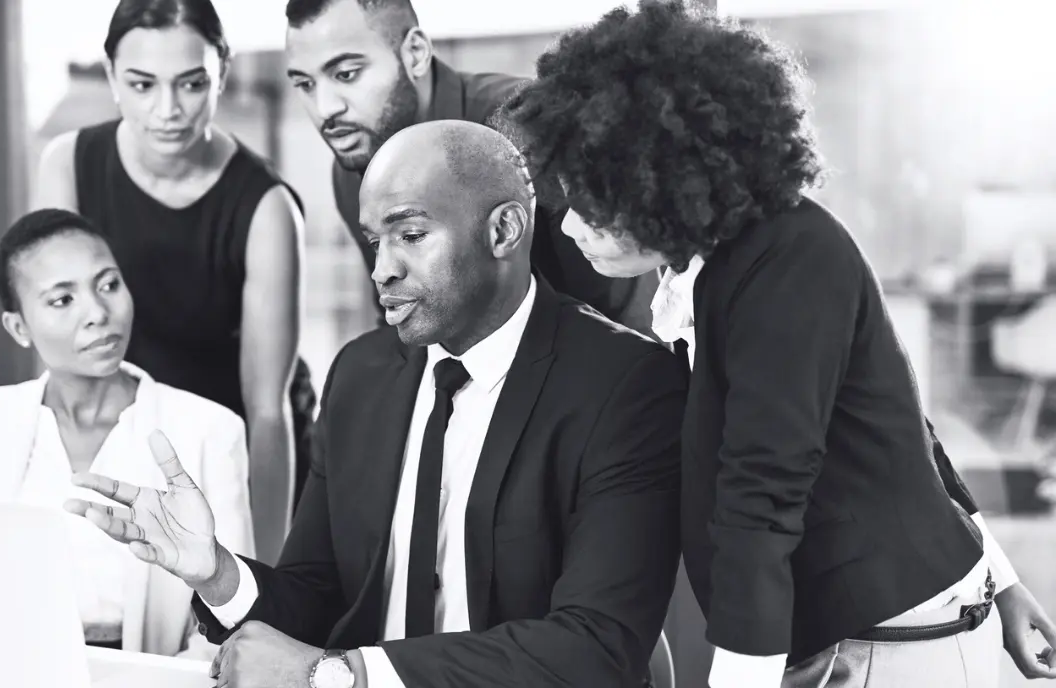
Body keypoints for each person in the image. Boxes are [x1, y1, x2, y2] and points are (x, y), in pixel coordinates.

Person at [499, 2, 1056, 686]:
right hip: (847, 638)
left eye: (592, 200)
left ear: (659, 177)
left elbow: (762, 491)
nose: (571, 227)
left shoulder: (788, 260)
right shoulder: (710, 265)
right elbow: (895, 423)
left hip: (890, 644)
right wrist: (1003, 577)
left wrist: (738, 680)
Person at [65, 120, 686, 688]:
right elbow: (319, 594)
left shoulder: (628, 383)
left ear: (503, 230)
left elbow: (595, 645)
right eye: (373, 241)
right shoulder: (360, 375)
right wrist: (218, 574)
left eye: (410, 235)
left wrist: (340, 675)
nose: (380, 270)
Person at [0, 208, 255, 658]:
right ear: (19, 327)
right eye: (63, 300)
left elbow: (232, 626)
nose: (98, 313)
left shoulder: (209, 430)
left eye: (108, 285)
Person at [34, 0, 308, 564]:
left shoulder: (266, 207)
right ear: (111, 77)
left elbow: (266, 410)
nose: (168, 110)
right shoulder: (67, 166)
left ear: (222, 75)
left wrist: (269, 574)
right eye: (141, 85)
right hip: (123, 437)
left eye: (190, 84)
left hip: (227, 456)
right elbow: (55, 344)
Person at [281, 0, 659, 336]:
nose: (325, 107)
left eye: (346, 74)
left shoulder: (529, 127)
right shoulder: (355, 166)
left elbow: (624, 322)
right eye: (304, 84)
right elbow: (401, 314)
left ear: (414, 53)